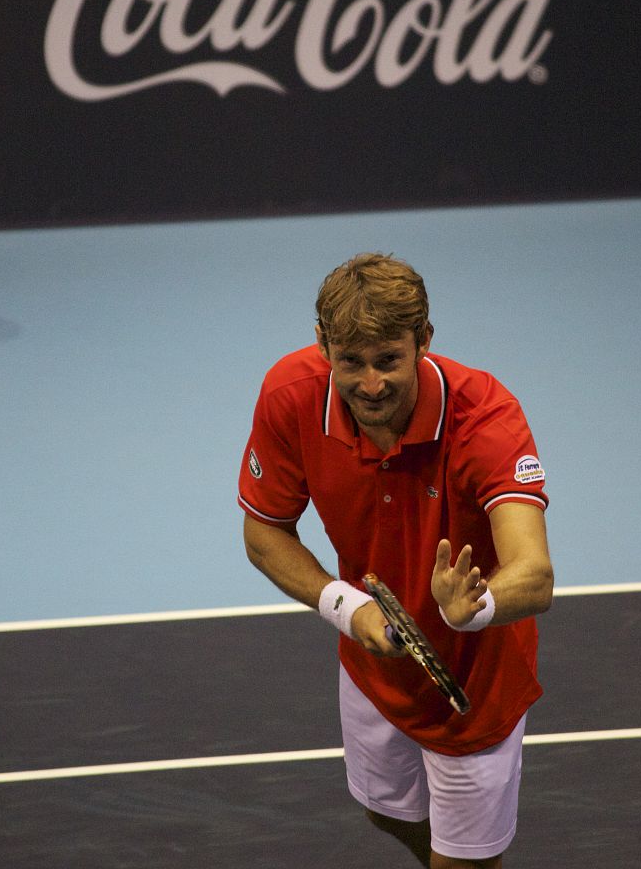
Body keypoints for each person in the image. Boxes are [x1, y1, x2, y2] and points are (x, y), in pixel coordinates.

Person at [238, 253, 553, 869]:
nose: (371, 384)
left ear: (423, 340)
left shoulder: (484, 418)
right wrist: (346, 607)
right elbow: (264, 533)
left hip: (474, 679)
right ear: (323, 344)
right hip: (372, 662)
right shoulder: (291, 395)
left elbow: (535, 574)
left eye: (388, 360)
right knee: (386, 812)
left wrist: (474, 606)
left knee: (462, 862)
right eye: (350, 362)